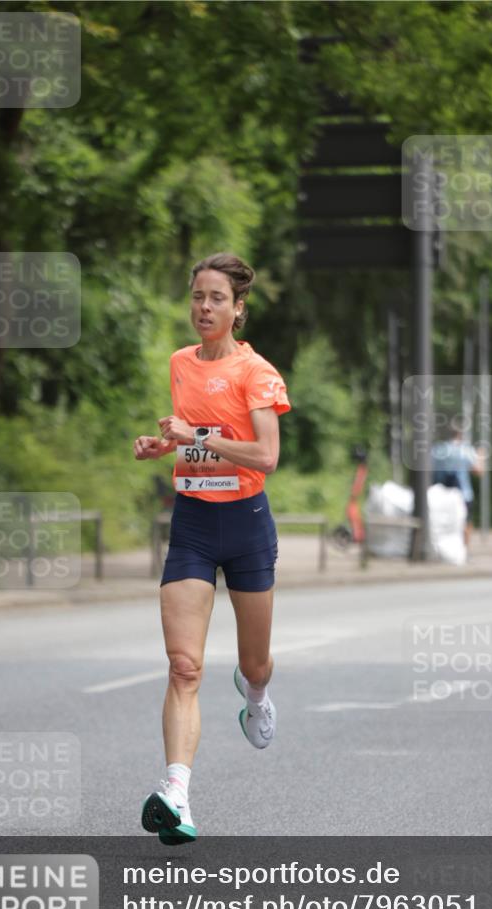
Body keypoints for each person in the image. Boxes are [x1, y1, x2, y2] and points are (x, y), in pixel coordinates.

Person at [133, 253, 291, 845]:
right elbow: (191, 444)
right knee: (183, 666)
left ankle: (256, 694)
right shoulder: (180, 364)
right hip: (194, 524)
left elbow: (265, 456)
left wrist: (194, 435)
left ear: (238, 307)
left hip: (248, 525)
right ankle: (176, 793)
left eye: (216, 298)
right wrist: (162, 447)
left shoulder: (258, 373)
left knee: (254, 662)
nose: (204, 307)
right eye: (198, 296)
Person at [431, 417, 485, 549]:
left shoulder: (437, 449)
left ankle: (442, 548)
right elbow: (478, 471)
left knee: (443, 522)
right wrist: (481, 455)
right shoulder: (465, 450)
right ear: (461, 434)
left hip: (442, 494)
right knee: (466, 522)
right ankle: (464, 550)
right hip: (463, 494)